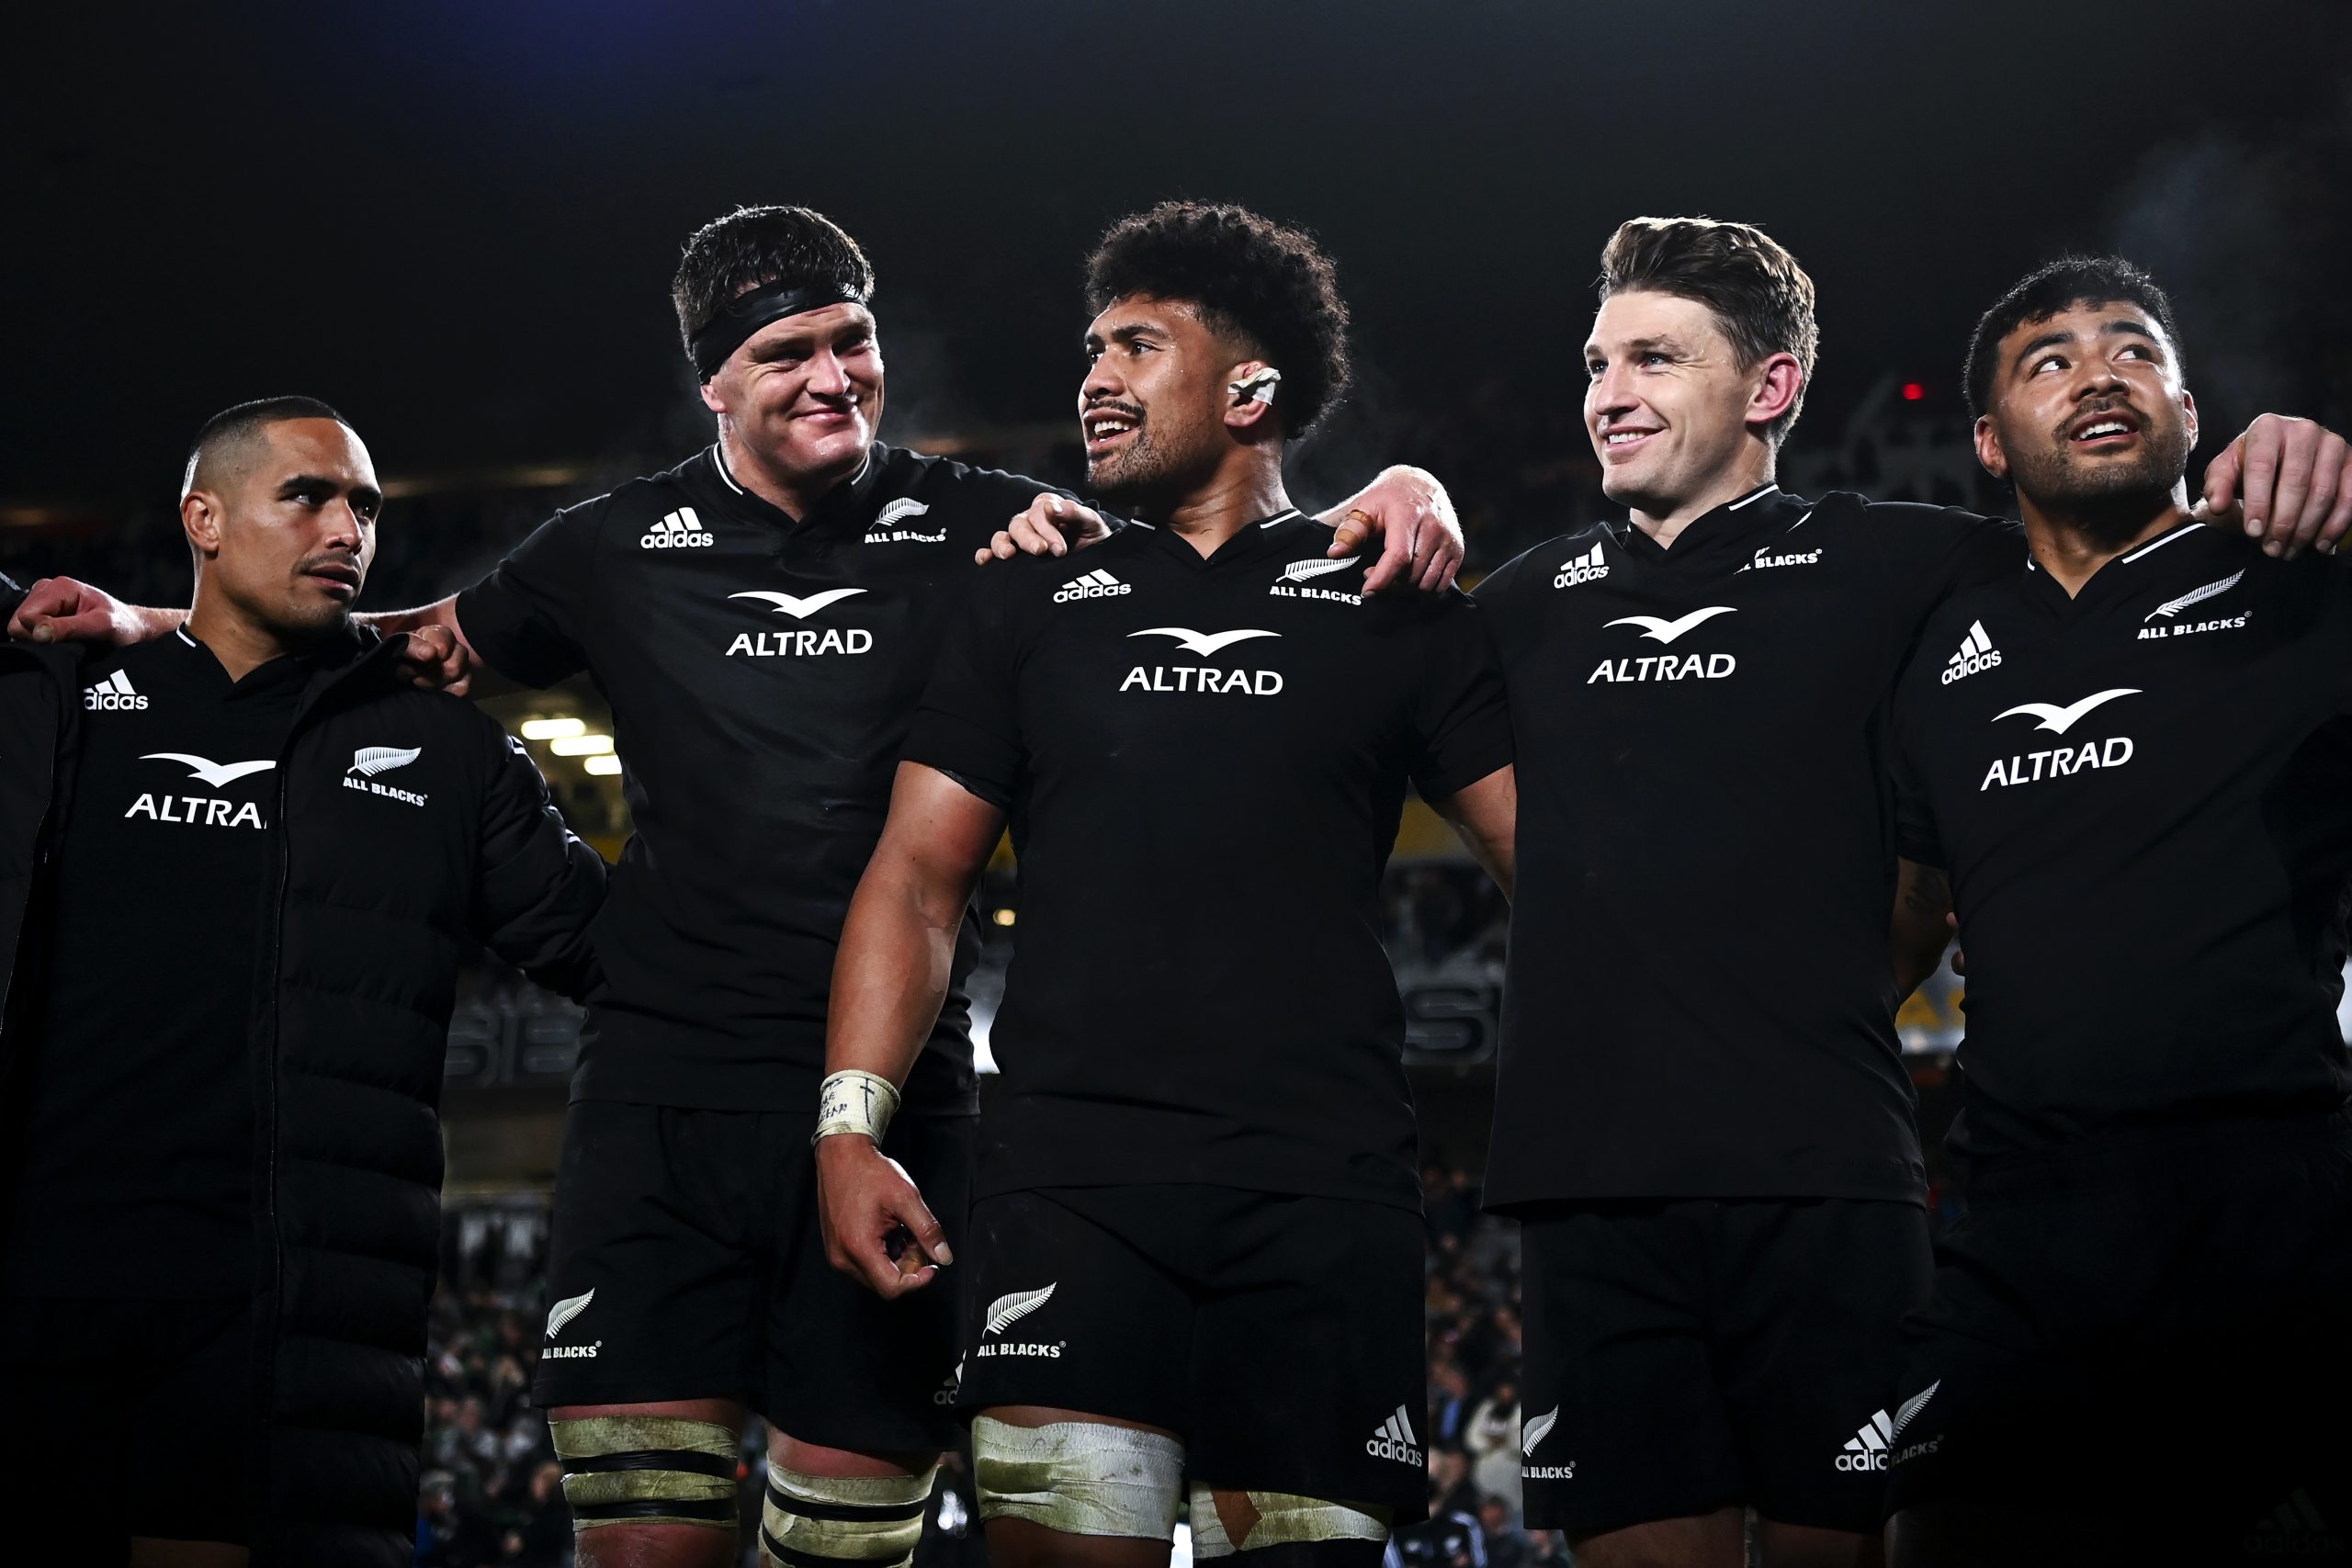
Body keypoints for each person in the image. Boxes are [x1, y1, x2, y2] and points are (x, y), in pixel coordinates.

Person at [6, 209, 1464, 1568]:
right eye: (785, 353)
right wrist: (158, 618)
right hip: (662, 1100)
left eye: (853, 340)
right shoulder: (611, 546)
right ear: (713, 383)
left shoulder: (1002, 530)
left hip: (903, 1108)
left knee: (846, 1540)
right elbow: (417, 639)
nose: (833, 375)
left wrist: (1402, 485)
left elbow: (1216, 540)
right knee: (647, 1540)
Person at [1462, 217, 2352, 1568]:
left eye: (1654, 355)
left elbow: (1916, 889)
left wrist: (2308, 441)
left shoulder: (1926, 567)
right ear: (1994, 437)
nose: (1610, 389)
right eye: (1600, 359)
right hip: (1938, 1224)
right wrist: (1408, 481)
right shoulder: (1524, 602)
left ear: (1769, 388)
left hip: (2122, 1201)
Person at [815, 202, 1517, 1568]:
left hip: (1322, 1196)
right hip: (1073, 1186)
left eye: (1137, 345)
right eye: (1090, 347)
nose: (1094, 376)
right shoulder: (1023, 595)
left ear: (1251, 389)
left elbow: (1549, 863)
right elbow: (914, 880)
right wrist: (851, 1124)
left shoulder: (1385, 593)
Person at [0, 398, 605, 1568]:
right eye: (309, 497)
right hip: (45, 1292)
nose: (348, 529)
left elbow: (618, 955)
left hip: (286, 1319)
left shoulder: (443, 749)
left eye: (367, 507)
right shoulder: (59, 699)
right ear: (204, 519)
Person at [1883, 257, 2352, 1565]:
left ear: (2191, 414)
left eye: (2134, 349)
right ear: (1987, 442)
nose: (2097, 372)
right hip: (2020, 1227)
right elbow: (1908, 913)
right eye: (2049, 360)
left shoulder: (2301, 577)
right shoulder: (1942, 648)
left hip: (2273, 1211)